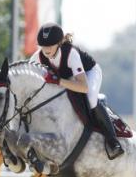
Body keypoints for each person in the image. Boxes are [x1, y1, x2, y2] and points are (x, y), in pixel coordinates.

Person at [29, 22, 124, 160]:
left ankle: (113, 141)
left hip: (89, 74)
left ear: (59, 43)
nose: (46, 49)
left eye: (50, 45)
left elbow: (83, 87)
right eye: (43, 46)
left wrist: (59, 81)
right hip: (66, 77)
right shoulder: (38, 57)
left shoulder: (70, 53)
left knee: (91, 99)